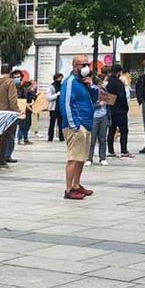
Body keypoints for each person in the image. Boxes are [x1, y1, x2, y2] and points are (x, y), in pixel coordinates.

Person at [58, 55, 95, 200]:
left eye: (87, 64)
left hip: (86, 124)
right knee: (73, 157)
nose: (86, 67)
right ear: (75, 66)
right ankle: (68, 189)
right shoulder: (70, 82)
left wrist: (90, 86)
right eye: (82, 64)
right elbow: (66, 104)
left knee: (81, 157)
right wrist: (74, 125)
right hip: (76, 126)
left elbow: (93, 99)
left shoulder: (82, 82)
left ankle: (76, 184)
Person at [105, 65, 130, 158]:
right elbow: (122, 97)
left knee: (111, 131)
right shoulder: (118, 83)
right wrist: (125, 108)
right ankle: (123, 151)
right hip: (120, 110)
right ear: (118, 72)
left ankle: (110, 151)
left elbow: (107, 97)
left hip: (111, 110)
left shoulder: (108, 82)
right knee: (124, 131)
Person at [87, 78, 110, 166]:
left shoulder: (104, 91)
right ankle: (89, 158)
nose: (104, 83)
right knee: (92, 139)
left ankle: (102, 158)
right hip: (94, 117)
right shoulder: (92, 92)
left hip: (103, 116)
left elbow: (109, 105)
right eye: (102, 82)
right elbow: (89, 105)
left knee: (103, 139)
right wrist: (98, 105)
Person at [16, 77, 36, 145]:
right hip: (23, 111)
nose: (32, 87)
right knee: (22, 125)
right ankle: (20, 139)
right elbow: (24, 102)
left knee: (27, 125)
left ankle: (25, 138)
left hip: (28, 111)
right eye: (31, 86)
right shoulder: (23, 91)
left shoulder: (30, 92)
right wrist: (31, 108)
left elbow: (32, 100)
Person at [46, 73, 63, 142]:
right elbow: (48, 97)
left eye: (61, 78)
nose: (60, 79)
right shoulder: (51, 86)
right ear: (56, 78)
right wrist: (57, 94)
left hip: (60, 107)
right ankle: (50, 137)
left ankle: (61, 137)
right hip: (53, 108)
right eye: (59, 78)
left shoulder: (62, 86)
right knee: (52, 123)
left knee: (61, 123)